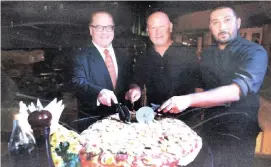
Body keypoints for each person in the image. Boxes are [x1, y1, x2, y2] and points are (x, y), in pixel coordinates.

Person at [158, 6, 268, 167]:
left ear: (238, 23)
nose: (221, 27)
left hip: (239, 130)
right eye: (215, 22)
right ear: (210, 27)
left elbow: (236, 90)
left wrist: (188, 100)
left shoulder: (255, 52)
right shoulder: (208, 53)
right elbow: (201, 85)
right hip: (210, 127)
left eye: (227, 20)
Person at [125, 11, 199, 107]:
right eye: (153, 27)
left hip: (185, 114)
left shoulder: (188, 53)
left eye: (161, 26)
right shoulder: (144, 57)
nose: (157, 32)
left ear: (170, 27)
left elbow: (199, 85)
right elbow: (136, 81)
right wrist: (135, 89)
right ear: (148, 31)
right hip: (155, 114)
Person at [71, 11, 132, 128]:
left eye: (109, 27)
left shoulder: (123, 54)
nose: (105, 32)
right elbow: (77, 82)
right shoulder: (80, 55)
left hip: (123, 121)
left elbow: (129, 80)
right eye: (99, 27)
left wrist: (134, 87)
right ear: (90, 30)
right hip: (93, 121)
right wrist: (99, 92)